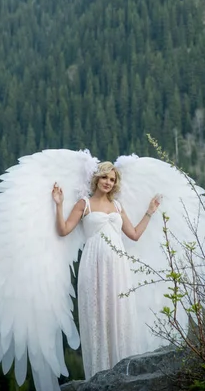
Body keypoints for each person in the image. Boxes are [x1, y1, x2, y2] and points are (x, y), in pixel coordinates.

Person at [52, 161, 161, 379]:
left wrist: (149, 212)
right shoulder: (85, 204)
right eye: (105, 178)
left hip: (118, 266)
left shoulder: (118, 207)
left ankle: (124, 374)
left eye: (112, 179)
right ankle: (99, 376)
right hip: (93, 264)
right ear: (97, 179)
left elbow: (135, 234)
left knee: (119, 314)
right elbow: (64, 230)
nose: (108, 182)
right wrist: (59, 204)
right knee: (97, 315)